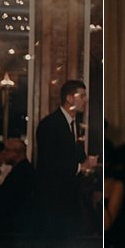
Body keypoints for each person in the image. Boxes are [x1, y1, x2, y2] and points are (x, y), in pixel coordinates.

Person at [34, 79, 97, 236]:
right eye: (81, 96)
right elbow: (49, 162)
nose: (85, 100)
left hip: (71, 196)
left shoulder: (75, 124)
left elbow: (73, 154)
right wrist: (80, 167)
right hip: (53, 198)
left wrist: (87, 161)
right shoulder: (50, 124)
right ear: (70, 98)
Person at [0, 138, 36, 233]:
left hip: (8, 227)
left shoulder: (19, 175)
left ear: (15, 153)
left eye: (6, 150)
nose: (3, 153)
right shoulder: (22, 170)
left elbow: (5, 204)